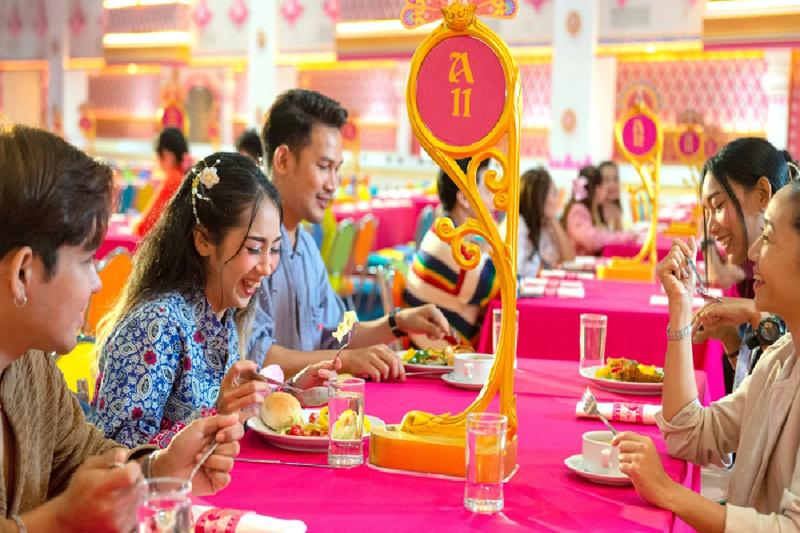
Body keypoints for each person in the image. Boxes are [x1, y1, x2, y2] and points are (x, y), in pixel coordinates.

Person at [0, 125, 242, 531]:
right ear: (23, 272)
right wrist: (60, 522)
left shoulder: (32, 364)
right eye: (86, 261)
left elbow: (81, 454)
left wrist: (157, 469)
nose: (97, 282)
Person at [91, 152, 335, 448]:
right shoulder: (156, 325)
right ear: (204, 240)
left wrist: (294, 391)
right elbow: (115, 454)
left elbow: (228, 409)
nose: (268, 267)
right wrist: (217, 415)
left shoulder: (222, 315)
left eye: (275, 249)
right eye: (254, 248)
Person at [614, 180, 800, 531]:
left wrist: (668, 492)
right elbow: (689, 433)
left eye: (770, 237)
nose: (753, 252)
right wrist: (681, 310)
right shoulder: (781, 360)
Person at [248, 89, 449, 381]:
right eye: (324, 167)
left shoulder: (304, 244)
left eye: (336, 170)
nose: (333, 184)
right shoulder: (250, 244)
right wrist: (344, 360)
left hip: (304, 414)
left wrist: (398, 322)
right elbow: (256, 353)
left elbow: (338, 331)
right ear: (282, 160)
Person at [691, 138, 794, 392]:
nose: (712, 227)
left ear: (762, 194)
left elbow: (785, 394)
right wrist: (731, 339)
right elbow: (755, 404)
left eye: (718, 206)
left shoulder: (789, 274)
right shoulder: (755, 274)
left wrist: (755, 314)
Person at [404, 157, 500, 348]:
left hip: (441, 347)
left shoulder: (447, 232)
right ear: (464, 198)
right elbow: (500, 285)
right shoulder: (449, 243)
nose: (493, 203)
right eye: (487, 192)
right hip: (439, 357)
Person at [504, 167, 575, 277]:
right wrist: (543, 269)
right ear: (540, 198)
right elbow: (516, 269)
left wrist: (553, 220)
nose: (558, 199)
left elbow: (569, 260)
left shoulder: (546, 224)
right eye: (554, 193)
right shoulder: (518, 225)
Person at [562, 165, 634, 255]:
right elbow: (592, 239)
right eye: (605, 183)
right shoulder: (578, 210)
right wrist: (624, 237)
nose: (608, 188)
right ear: (598, 189)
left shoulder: (590, 210)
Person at [136, 127, 190, 237]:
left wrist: (135, 224)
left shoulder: (173, 180)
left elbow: (145, 226)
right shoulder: (185, 177)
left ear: (166, 154)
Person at [598, 160, 623, 231]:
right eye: (606, 180)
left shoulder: (615, 209)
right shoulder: (592, 211)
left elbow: (619, 234)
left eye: (615, 179)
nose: (612, 185)